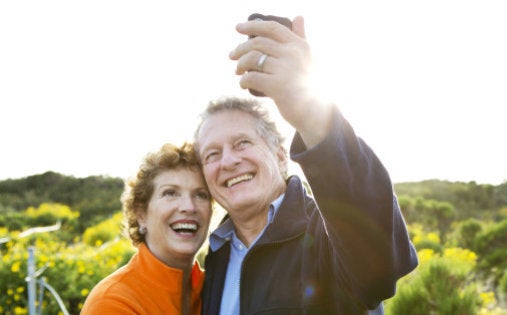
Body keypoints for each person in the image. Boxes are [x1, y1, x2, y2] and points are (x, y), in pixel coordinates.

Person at [196, 15, 418, 314]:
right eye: (212, 154)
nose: (229, 161)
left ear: (279, 154)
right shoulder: (216, 255)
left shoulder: (327, 233)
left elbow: (378, 269)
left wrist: (313, 115)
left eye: (242, 144)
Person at [81, 142, 213, 315]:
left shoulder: (216, 291)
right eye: (170, 193)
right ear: (141, 214)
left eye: (201, 195)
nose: (189, 206)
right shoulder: (113, 301)